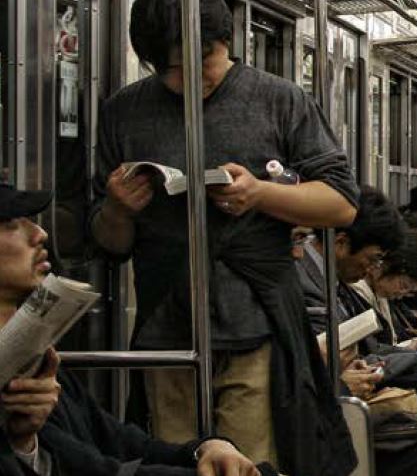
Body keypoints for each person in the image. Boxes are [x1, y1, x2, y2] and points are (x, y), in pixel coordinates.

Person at [90, 0, 358, 474]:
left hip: (253, 321)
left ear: (227, 42)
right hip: (165, 327)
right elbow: (110, 245)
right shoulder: (124, 112)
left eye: (205, 62)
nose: (191, 80)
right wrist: (119, 209)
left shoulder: (279, 100)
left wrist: (259, 193)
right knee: (178, 464)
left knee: (248, 464)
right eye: (173, 70)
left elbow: (341, 204)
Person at [0, 183, 273, 476]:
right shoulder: (16, 380)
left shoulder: (39, 358)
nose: (39, 234)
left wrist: (206, 448)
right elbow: (88, 468)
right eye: (13, 223)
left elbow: (120, 441)